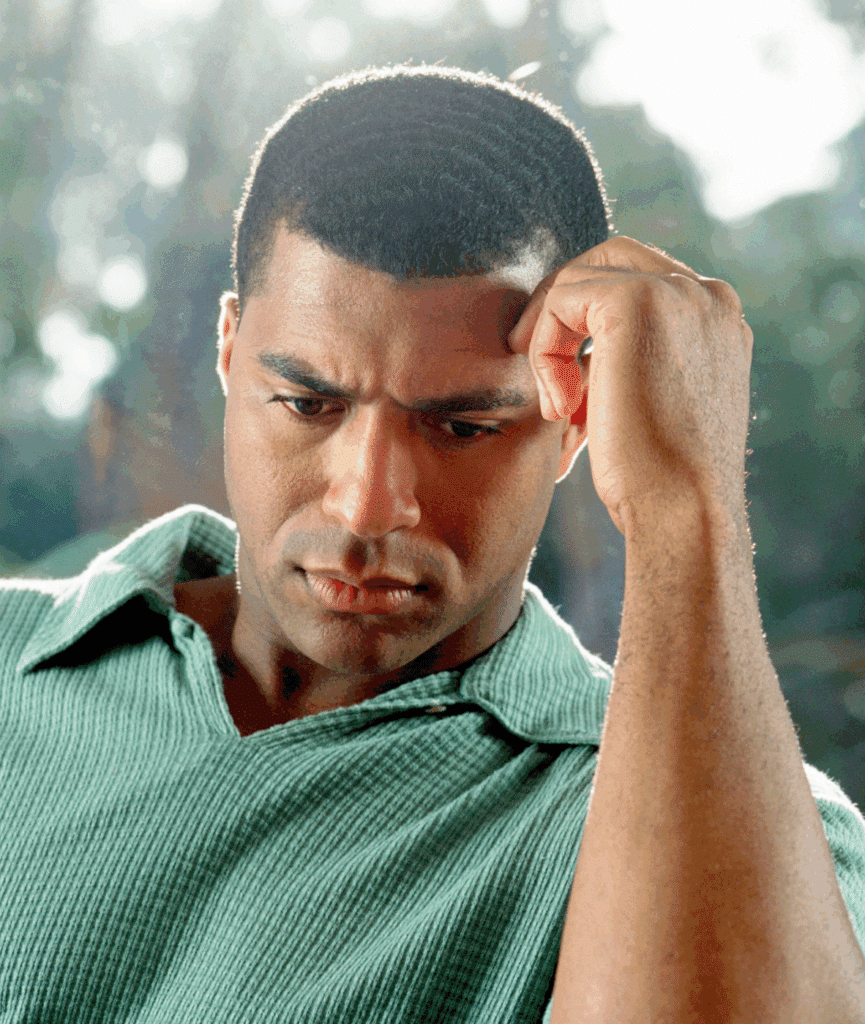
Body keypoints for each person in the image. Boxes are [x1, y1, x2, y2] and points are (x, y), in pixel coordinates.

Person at [1, 64, 863, 1023]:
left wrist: (689, 515)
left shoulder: (759, 842)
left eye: (461, 428)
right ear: (229, 348)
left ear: (575, 414)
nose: (369, 506)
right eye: (306, 403)